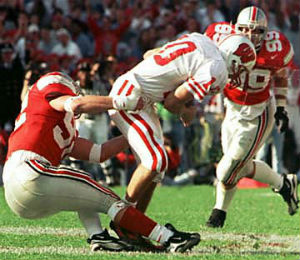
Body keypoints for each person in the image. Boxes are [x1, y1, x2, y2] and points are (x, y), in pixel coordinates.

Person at [2, 71, 200, 253]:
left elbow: (100, 153)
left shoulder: (54, 125)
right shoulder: (50, 87)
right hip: (29, 169)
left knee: (84, 190)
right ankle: (169, 238)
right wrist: (121, 102)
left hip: (19, 193)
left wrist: (138, 131)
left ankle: (97, 235)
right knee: (106, 198)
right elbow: (77, 104)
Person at [108, 32, 256, 240]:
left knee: (158, 169)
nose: (238, 74)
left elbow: (149, 54)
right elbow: (171, 104)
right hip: (132, 98)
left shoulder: (200, 39)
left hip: (140, 95)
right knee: (155, 161)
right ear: (233, 59)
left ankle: (134, 226)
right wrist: (187, 111)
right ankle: (122, 217)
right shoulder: (218, 69)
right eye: (240, 67)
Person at [204, 6, 299, 228]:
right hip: (232, 108)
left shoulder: (275, 47)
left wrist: (282, 107)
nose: (250, 36)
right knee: (240, 166)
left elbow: (281, 76)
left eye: (256, 31)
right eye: (245, 29)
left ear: (265, 33)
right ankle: (284, 184)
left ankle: (218, 213)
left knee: (227, 168)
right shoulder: (221, 38)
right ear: (235, 28)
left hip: (259, 112)